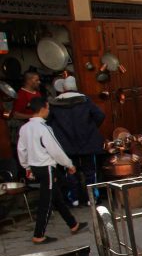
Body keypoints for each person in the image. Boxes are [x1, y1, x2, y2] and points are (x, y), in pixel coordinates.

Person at [17, 97, 88, 244]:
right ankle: (39, 234)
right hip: (46, 167)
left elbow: (21, 150)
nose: (49, 111)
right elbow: (55, 150)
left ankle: (73, 224)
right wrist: (69, 164)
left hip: (35, 168)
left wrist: (27, 167)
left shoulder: (24, 128)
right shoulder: (44, 128)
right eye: (48, 108)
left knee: (56, 197)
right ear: (43, 109)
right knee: (46, 201)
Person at [47, 76, 106, 206]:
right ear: (76, 87)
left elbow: (49, 123)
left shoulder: (55, 104)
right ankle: (92, 198)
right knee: (90, 171)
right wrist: (91, 127)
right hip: (87, 142)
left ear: (63, 88)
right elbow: (100, 115)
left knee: (70, 170)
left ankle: (74, 199)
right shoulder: (85, 100)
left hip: (66, 144)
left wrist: (60, 133)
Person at [8, 71, 42, 179]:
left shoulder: (38, 93)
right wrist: (33, 116)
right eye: (36, 80)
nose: (39, 82)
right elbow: (16, 114)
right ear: (28, 80)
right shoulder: (22, 95)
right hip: (28, 129)